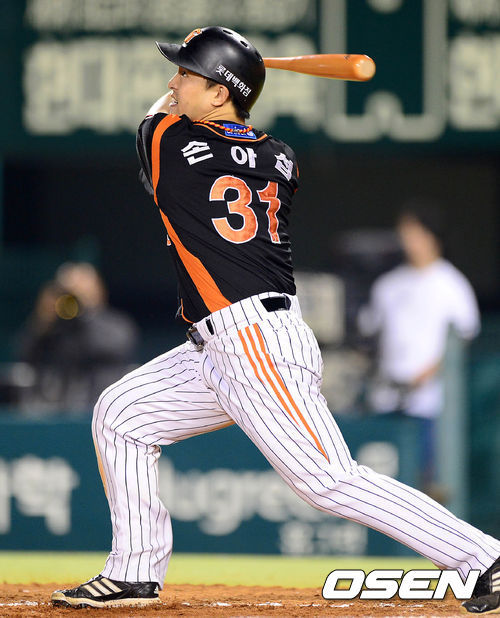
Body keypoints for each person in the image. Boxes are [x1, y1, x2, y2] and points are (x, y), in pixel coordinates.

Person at [51, 27, 500, 613]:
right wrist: (229, 73)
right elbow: (223, 134)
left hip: (253, 342)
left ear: (219, 93)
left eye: (186, 73)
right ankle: (134, 570)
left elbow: (155, 117)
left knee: (328, 480)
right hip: (219, 345)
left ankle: (483, 556)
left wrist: (226, 73)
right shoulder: (280, 158)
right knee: (121, 414)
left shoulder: (168, 143)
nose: (174, 82)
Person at [358, 204, 480, 490]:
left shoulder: (451, 283)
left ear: (431, 236)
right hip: (386, 399)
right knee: (380, 481)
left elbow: (464, 337)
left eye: (414, 233)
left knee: (423, 482)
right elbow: (369, 334)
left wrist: (424, 375)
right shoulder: (387, 284)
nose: (407, 241)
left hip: (428, 403)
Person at [18, 262, 138, 413]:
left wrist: (85, 312)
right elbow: (26, 353)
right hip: (58, 409)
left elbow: (112, 348)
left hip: (101, 408)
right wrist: (43, 321)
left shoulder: (116, 324)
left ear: (98, 289)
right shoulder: (56, 328)